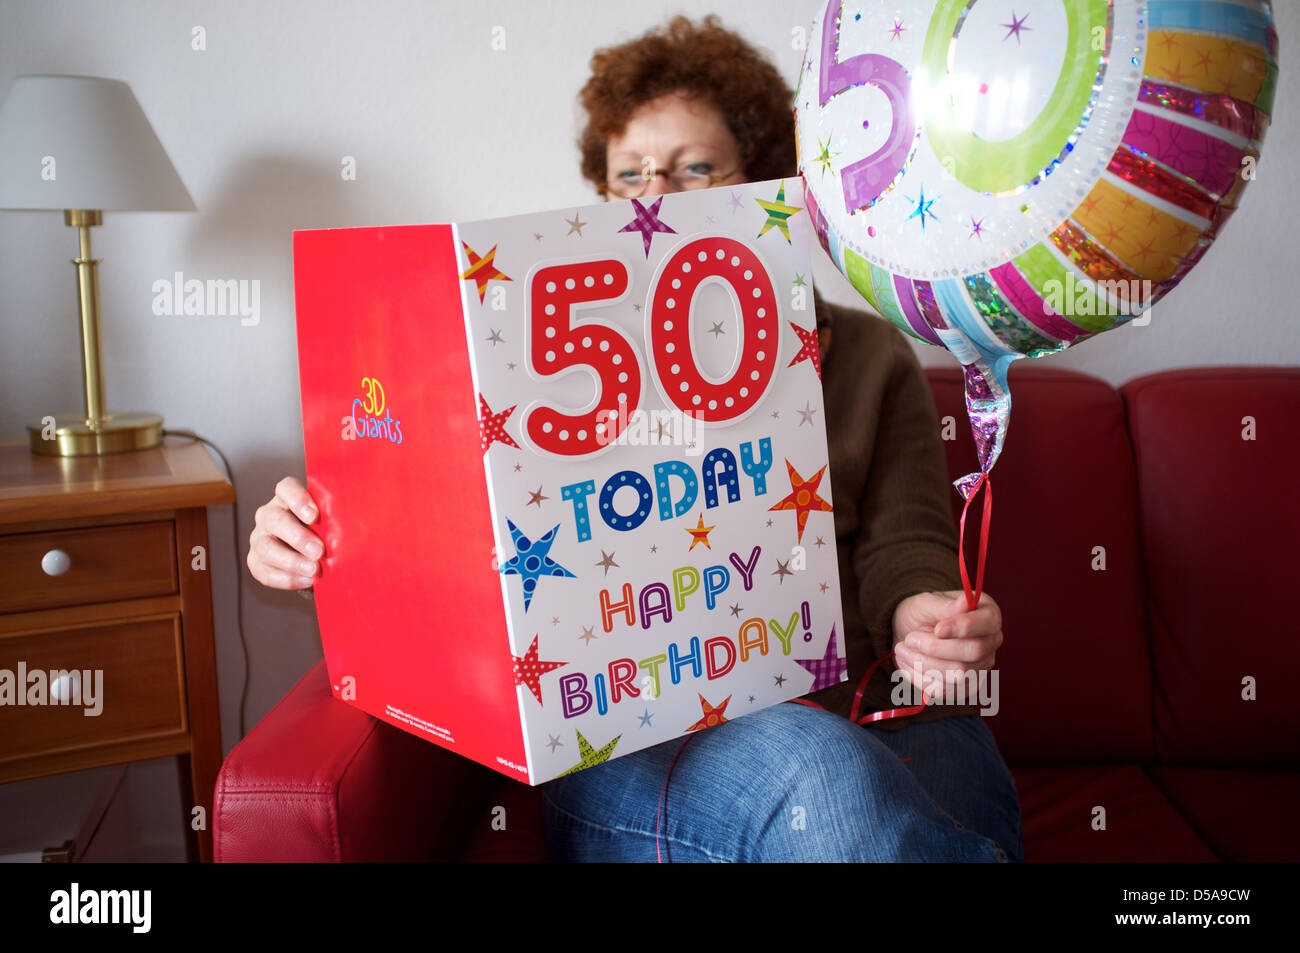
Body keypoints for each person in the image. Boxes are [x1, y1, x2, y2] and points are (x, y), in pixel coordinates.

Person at [248, 15, 1023, 862]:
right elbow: (435, 540)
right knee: (827, 778)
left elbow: (905, 544)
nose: (656, 194)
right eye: (630, 175)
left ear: (760, 181)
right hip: (637, 731)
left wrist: (927, 618)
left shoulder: (869, 354)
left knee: (945, 769)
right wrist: (315, 542)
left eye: (695, 168)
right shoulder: (538, 374)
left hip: (861, 689)